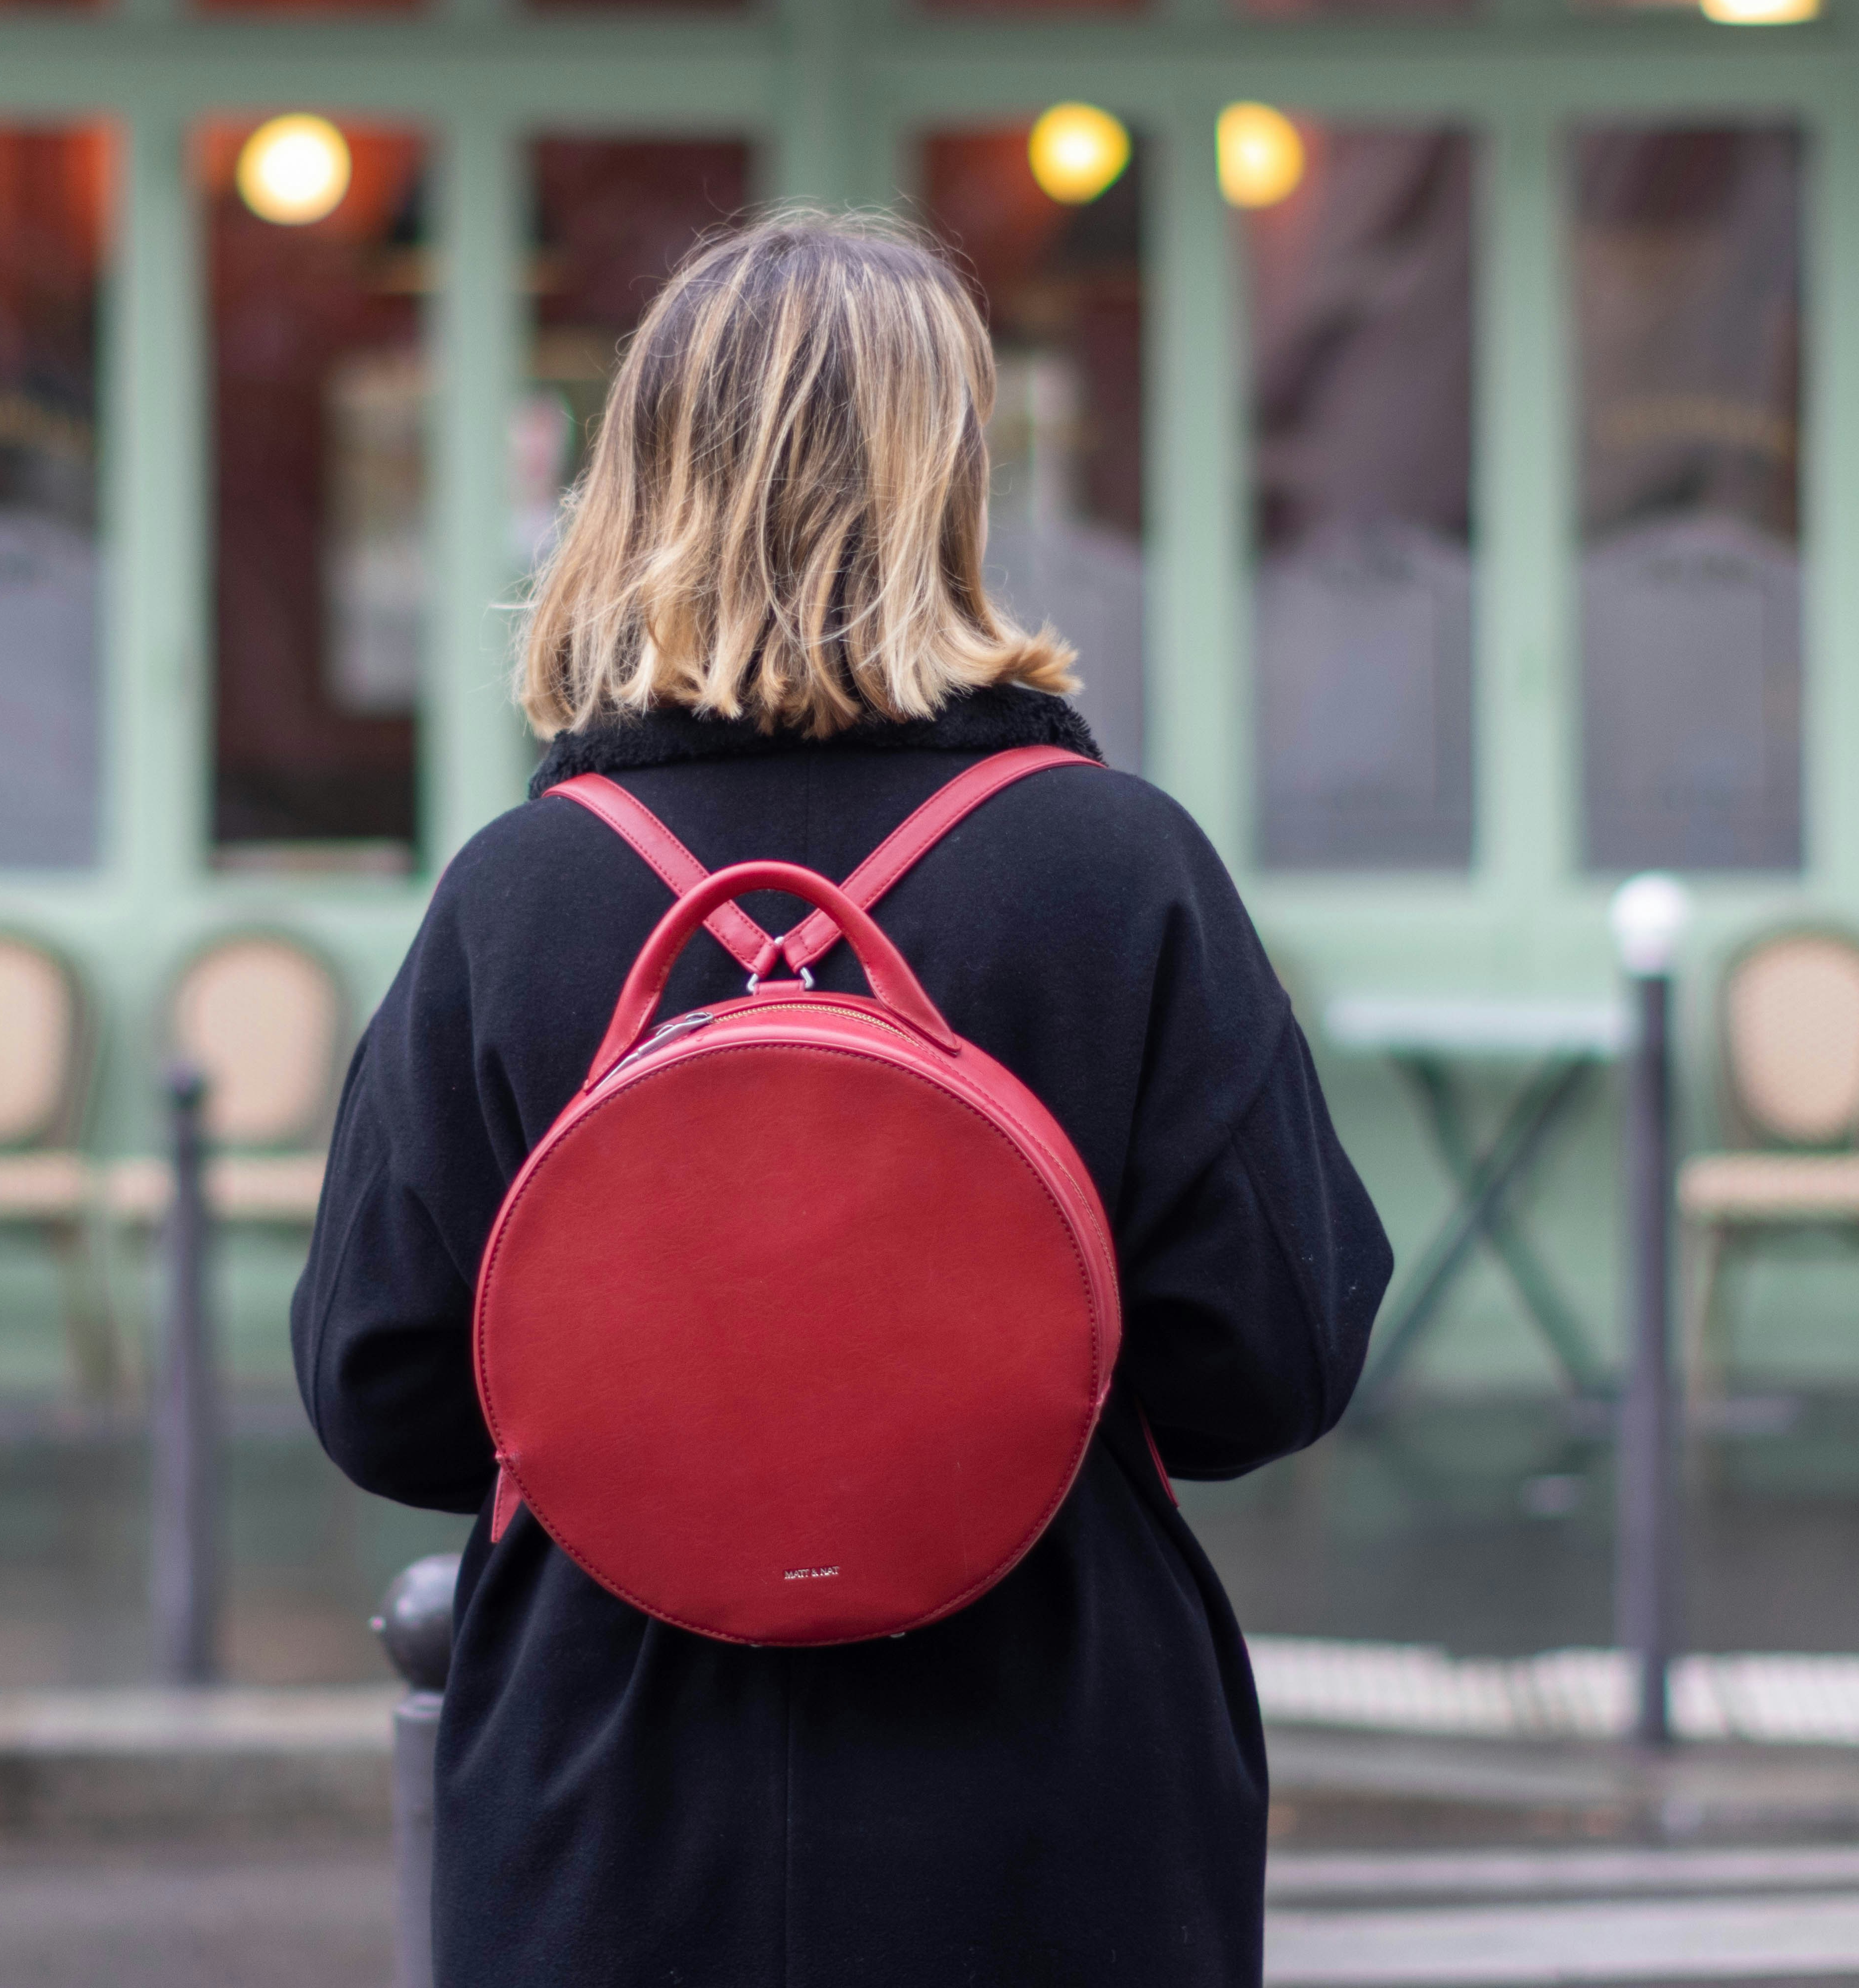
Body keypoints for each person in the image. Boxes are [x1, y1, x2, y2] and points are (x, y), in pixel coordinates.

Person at [294, 208, 1392, 1988]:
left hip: (613, 1797)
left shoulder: (524, 891)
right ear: (955, 481)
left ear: (638, 482)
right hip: (1053, 1793)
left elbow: (383, 1389)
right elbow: (1273, 1356)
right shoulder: (1119, 873)